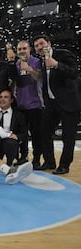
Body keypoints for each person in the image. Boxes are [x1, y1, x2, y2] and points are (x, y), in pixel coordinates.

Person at [33, 34, 80, 174]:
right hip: (52, 104)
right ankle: (49, 161)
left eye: (41, 44)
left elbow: (74, 73)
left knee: (68, 136)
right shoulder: (41, 61)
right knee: (44, 132)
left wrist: (57, 65)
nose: (40, 47)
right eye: (36, 46)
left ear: (49, 43)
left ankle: (65, 165)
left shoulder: (64, 54)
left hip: (69, 103)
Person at [13, 40, 43, 167]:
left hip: (35, 105)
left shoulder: (36, 62)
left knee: (36, 135)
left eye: (24, 48)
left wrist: (29, 69)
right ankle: (23, 157)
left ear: (29, 49)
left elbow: (40, 78)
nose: (22, 51)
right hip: (21, 105)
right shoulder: (17, 64)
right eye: (19, 49)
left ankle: (36, 159)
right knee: (22, 135)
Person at [0, 90, 27, 166]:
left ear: (11, 100)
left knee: (11, 143)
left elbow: (24, 132)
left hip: (7, 141)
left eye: (6, 97)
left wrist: (17, 136)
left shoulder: (18, 115)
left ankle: (9, 165)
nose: (2, 99)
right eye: (0, 97)